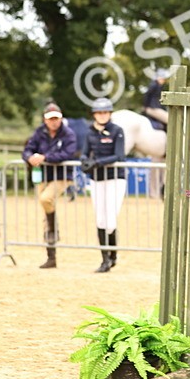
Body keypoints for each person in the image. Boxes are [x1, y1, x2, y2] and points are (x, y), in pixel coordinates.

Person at [23, 103, 77, 269]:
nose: (54, 122)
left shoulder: (68, 134)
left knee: (46, 199)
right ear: (45, 120)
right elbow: (27, 149)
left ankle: (53, 228)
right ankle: (51, 255)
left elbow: (68, 153)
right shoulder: (40, 132)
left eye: (56, 118)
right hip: (44, 176)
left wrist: (45, 157)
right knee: (45, 212)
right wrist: (30, 157)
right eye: (50, 119)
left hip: (61, 176)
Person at [80, 97, 127, 273]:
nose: (102, 115)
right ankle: (105, 259)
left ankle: (113, 254)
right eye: (99, 112)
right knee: (100, 218)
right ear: (94, 114)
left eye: (105, 112)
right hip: (97, 179)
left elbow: (119, 155)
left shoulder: (117, 131)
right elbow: (84, 153)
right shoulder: (89, 132)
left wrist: (97, 162)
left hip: (115, 179)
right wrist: (85, 161)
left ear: (110, 114)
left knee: (110, 219)